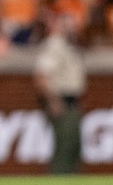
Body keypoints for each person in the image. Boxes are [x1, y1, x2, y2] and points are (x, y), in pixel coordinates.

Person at [34, 11, 86, 174]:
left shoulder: (68, 45)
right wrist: (53, 101)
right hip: (61, 101)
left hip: (71, 101)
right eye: (68, 23)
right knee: (64, 148)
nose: (73, 27)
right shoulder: (54, 45)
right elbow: (42, 77)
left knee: (73, 146)